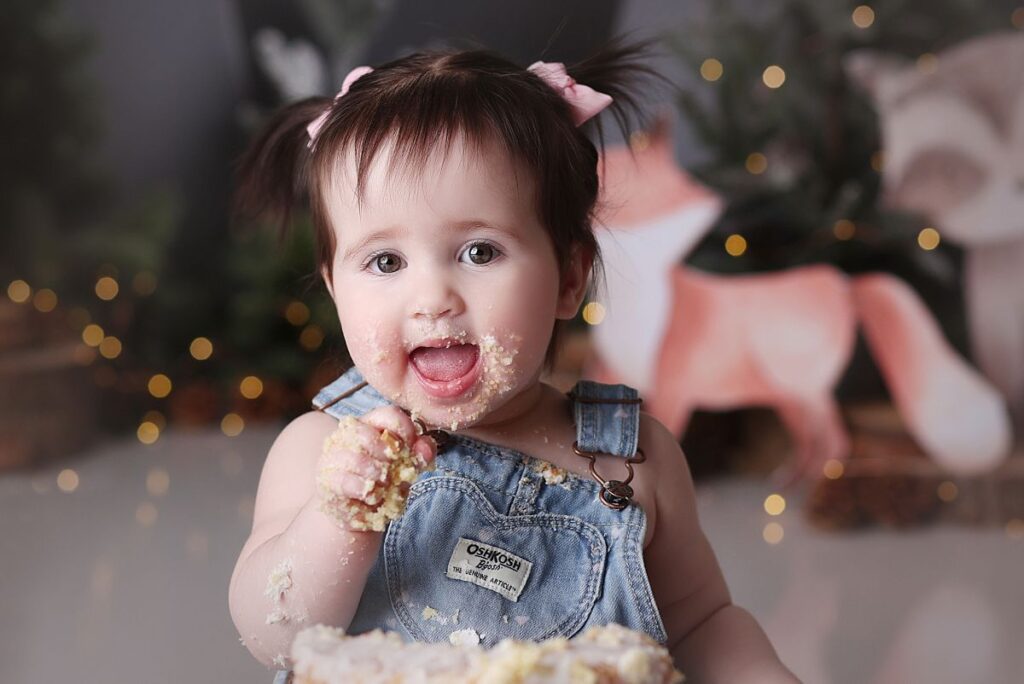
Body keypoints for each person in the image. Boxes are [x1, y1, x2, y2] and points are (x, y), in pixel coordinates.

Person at [227, 38, 799, 683]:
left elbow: (703, 625)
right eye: (385, 262)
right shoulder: (324, 453)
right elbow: (273, 637)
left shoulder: (631, 460)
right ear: (335, 288)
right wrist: (340, 522)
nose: (432, 298)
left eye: (479, 252)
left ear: (568, 278)